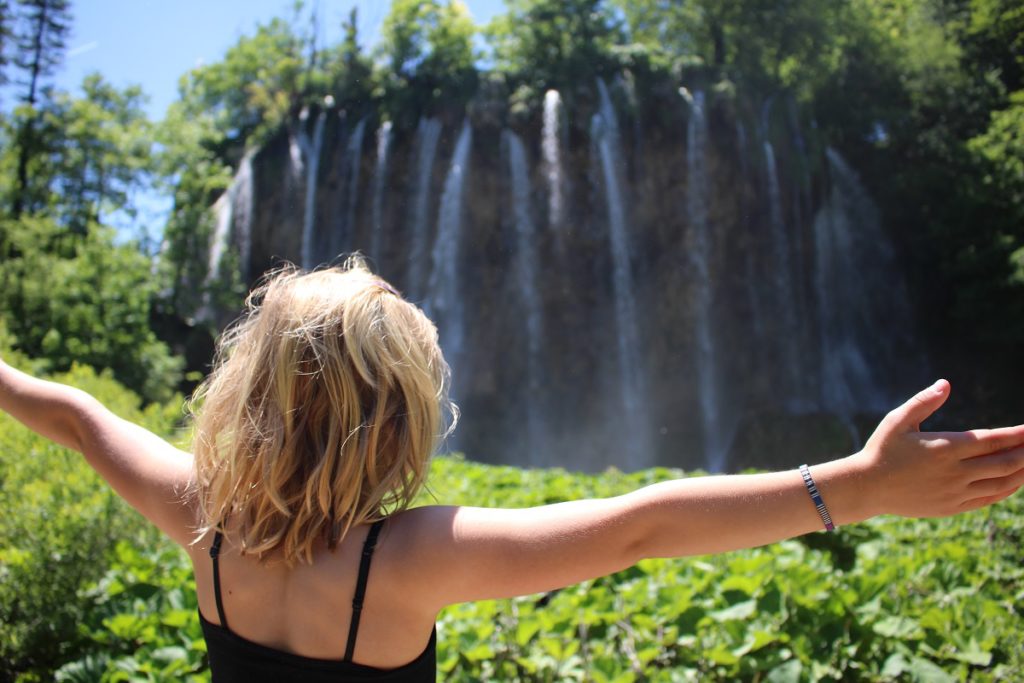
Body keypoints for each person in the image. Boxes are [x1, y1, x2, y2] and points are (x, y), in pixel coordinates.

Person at [1, 255, 1023, 682]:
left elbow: (83, 418)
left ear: (242, 391)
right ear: (400, 421)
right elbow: (639, 523)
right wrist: (850, 485)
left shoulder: (202, 517)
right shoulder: (403, 560)